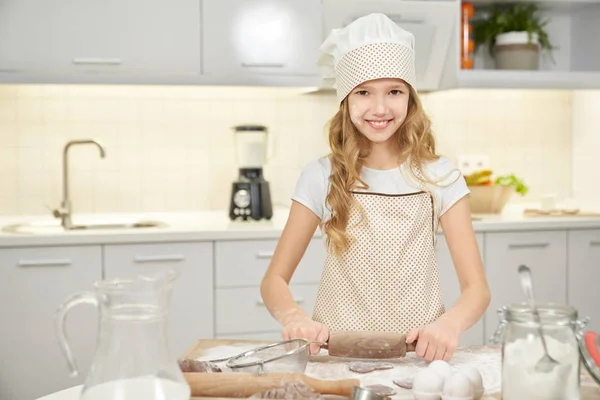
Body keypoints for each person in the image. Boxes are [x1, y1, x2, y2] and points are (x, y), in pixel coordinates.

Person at [260, 13, 490, 362]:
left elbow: (477, 290)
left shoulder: (441, 177)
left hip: (418, 359)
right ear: (345, 101)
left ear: (411, 99)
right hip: (336, 358)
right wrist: (295, 318)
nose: (380, 108)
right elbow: (274, 279)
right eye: (364, 92)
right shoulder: (320, 176)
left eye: (394, 91)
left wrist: (450, 325)